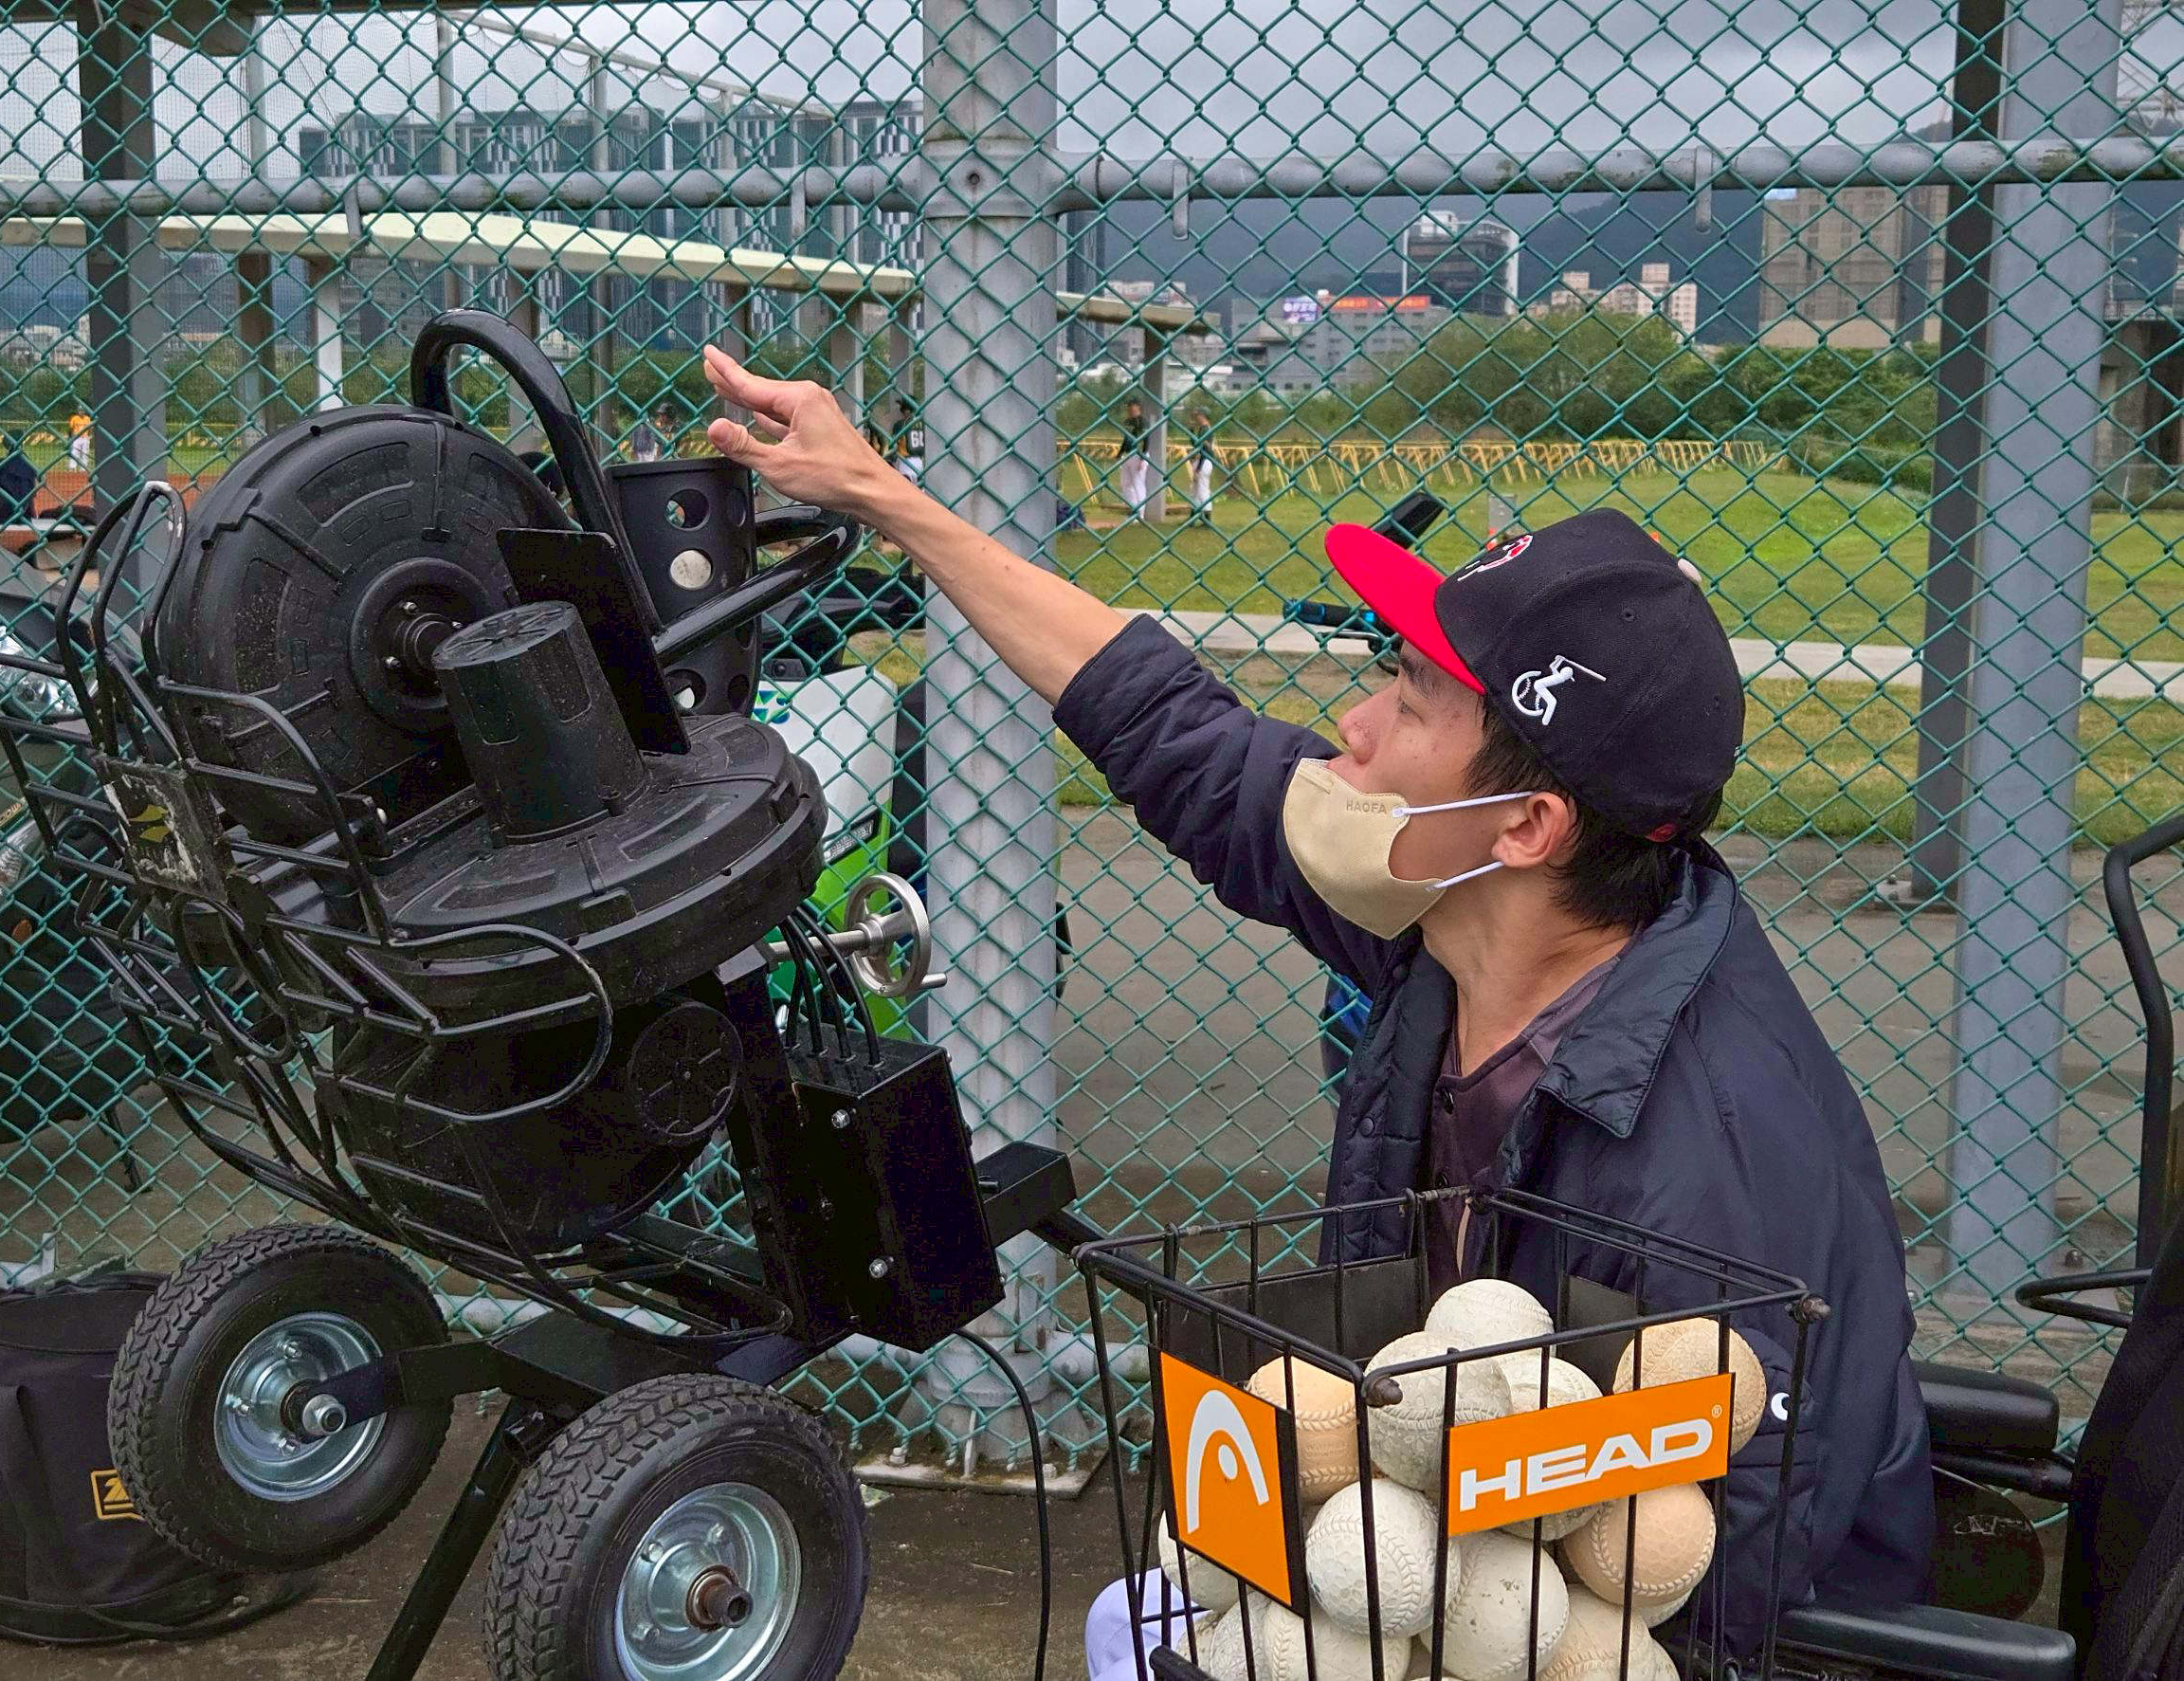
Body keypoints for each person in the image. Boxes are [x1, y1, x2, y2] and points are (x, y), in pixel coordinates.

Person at [695, 347, 1934, 1662]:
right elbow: (1169, 725)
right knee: (1140, 1623)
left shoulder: (1705, 1162)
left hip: (1672, 1637)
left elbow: (1713, 1576)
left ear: (1525, 823)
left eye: (1411, 700)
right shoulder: (1453, 914)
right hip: (1466, 1559)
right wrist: (880, 493)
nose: (1354, 722)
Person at [1118, 396, 1149, 518]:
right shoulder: (1128, 422)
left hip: (1139, 453)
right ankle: (1132, 508)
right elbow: (1126, 439)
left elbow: (1147, 440)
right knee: (1126, 483)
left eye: (1132, 407)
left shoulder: (1143, 422)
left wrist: (1143, 458)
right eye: (1129, 408)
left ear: (1138, 407)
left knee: (1138, 482)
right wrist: (1120, 453)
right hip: (1128, 454)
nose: (1130, 410)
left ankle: (1140, 513)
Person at [1187, 405, 1216, 521]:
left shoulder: (1206, 429)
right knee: (1195, 490)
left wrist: (1198, 469)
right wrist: (1191, 431)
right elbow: (1196, 444)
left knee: (1203, 491)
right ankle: (1193, 518)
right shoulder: (1203, 429)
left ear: (1203, 416)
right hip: (1201, 461)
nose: (1196, 418)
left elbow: (1204, 451)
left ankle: (1207, 520)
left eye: (1198, 415)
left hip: (1204, 461)